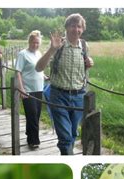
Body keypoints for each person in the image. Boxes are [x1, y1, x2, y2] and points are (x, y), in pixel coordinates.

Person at [36, 13, 94, 155]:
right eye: (73, 26)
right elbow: (39, 68)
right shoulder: (58, 44)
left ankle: (67, 155)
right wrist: (51, 49)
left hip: (79, 96)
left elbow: (86, 65)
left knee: (73, 134)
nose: (76, 29)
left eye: (79, 26)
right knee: (66, 137)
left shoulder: (84, 46)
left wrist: (90, 62)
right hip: (58, 95)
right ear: (67, 28)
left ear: (83, 29)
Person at [15, 31, 45, 150]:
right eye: (33, 42)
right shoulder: (23, 54)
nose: (35, 45)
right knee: (32, 114)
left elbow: (39, 69)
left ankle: (29, 134)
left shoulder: (39, 53)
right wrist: (21, 89)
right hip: (28, 90)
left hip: (39, 88)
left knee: (36, 115)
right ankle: (34, 141)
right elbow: (18, 72)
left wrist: (44, 76)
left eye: (37, 43)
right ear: (29, 42)